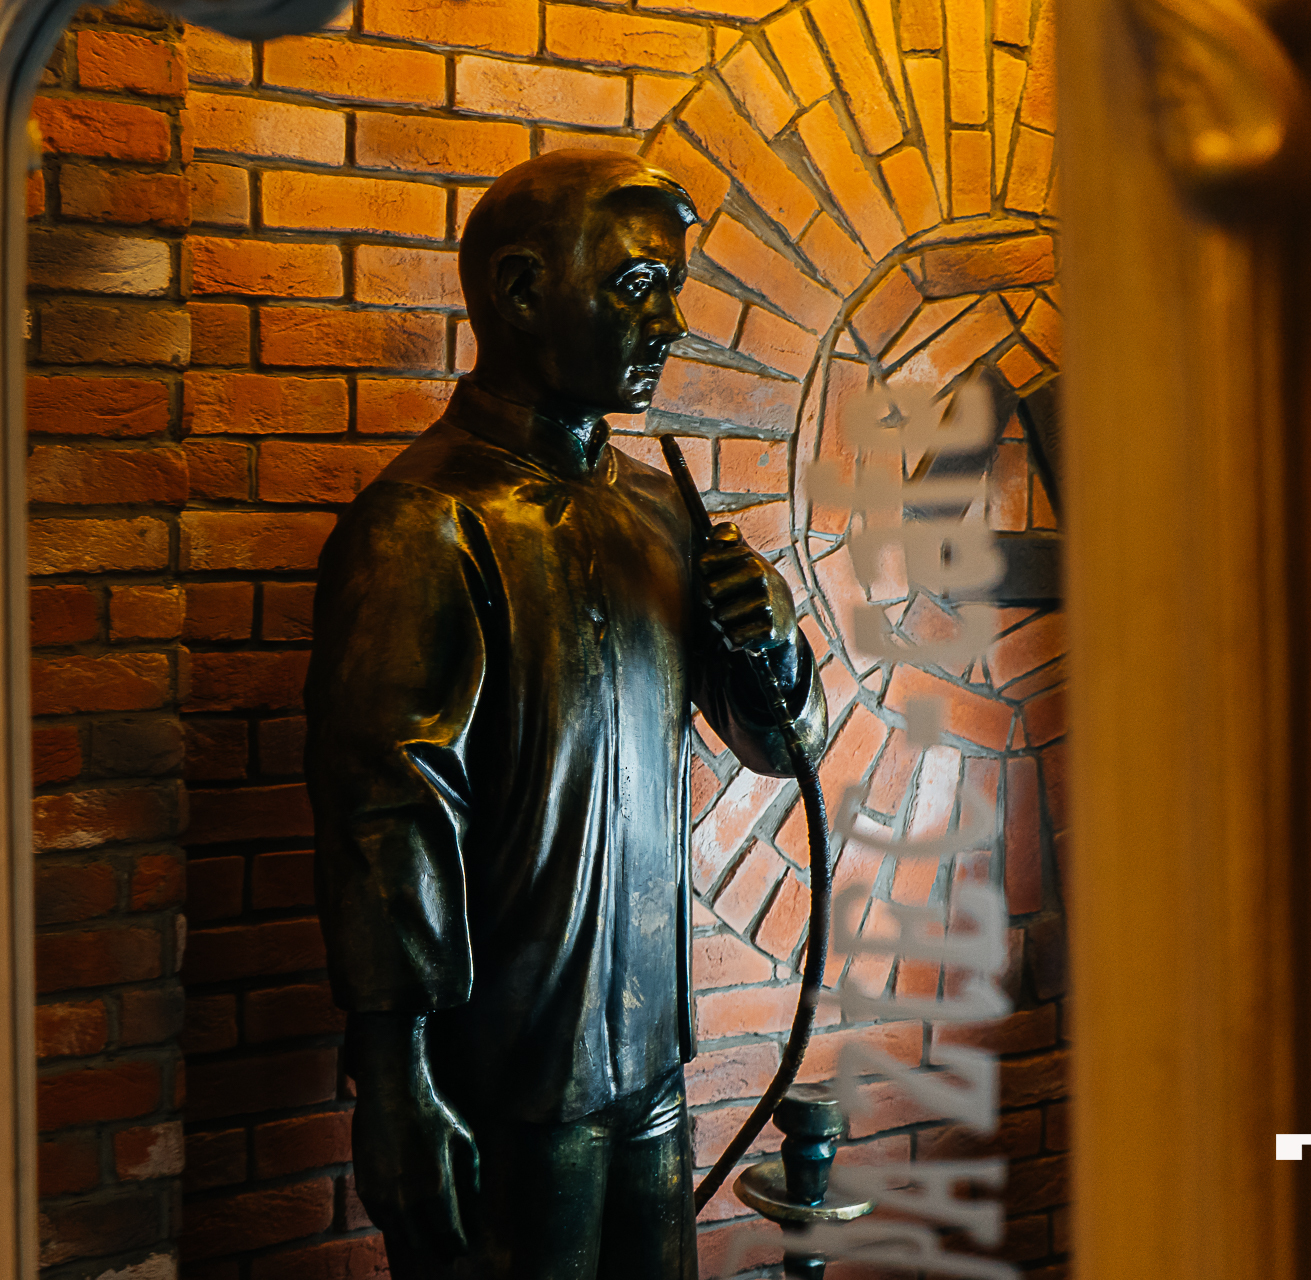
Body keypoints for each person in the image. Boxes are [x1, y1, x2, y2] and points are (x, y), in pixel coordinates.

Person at [302, 149, 828, 1280]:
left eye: (672, 289)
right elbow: (386, 817)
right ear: (524, 292)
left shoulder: (659, 510)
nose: (671, 323)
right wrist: (395, 1073)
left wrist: (774, 640)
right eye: (637, 286)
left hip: (649, 1056)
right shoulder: (426, 521)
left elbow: (777, 744)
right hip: (508, 1076)